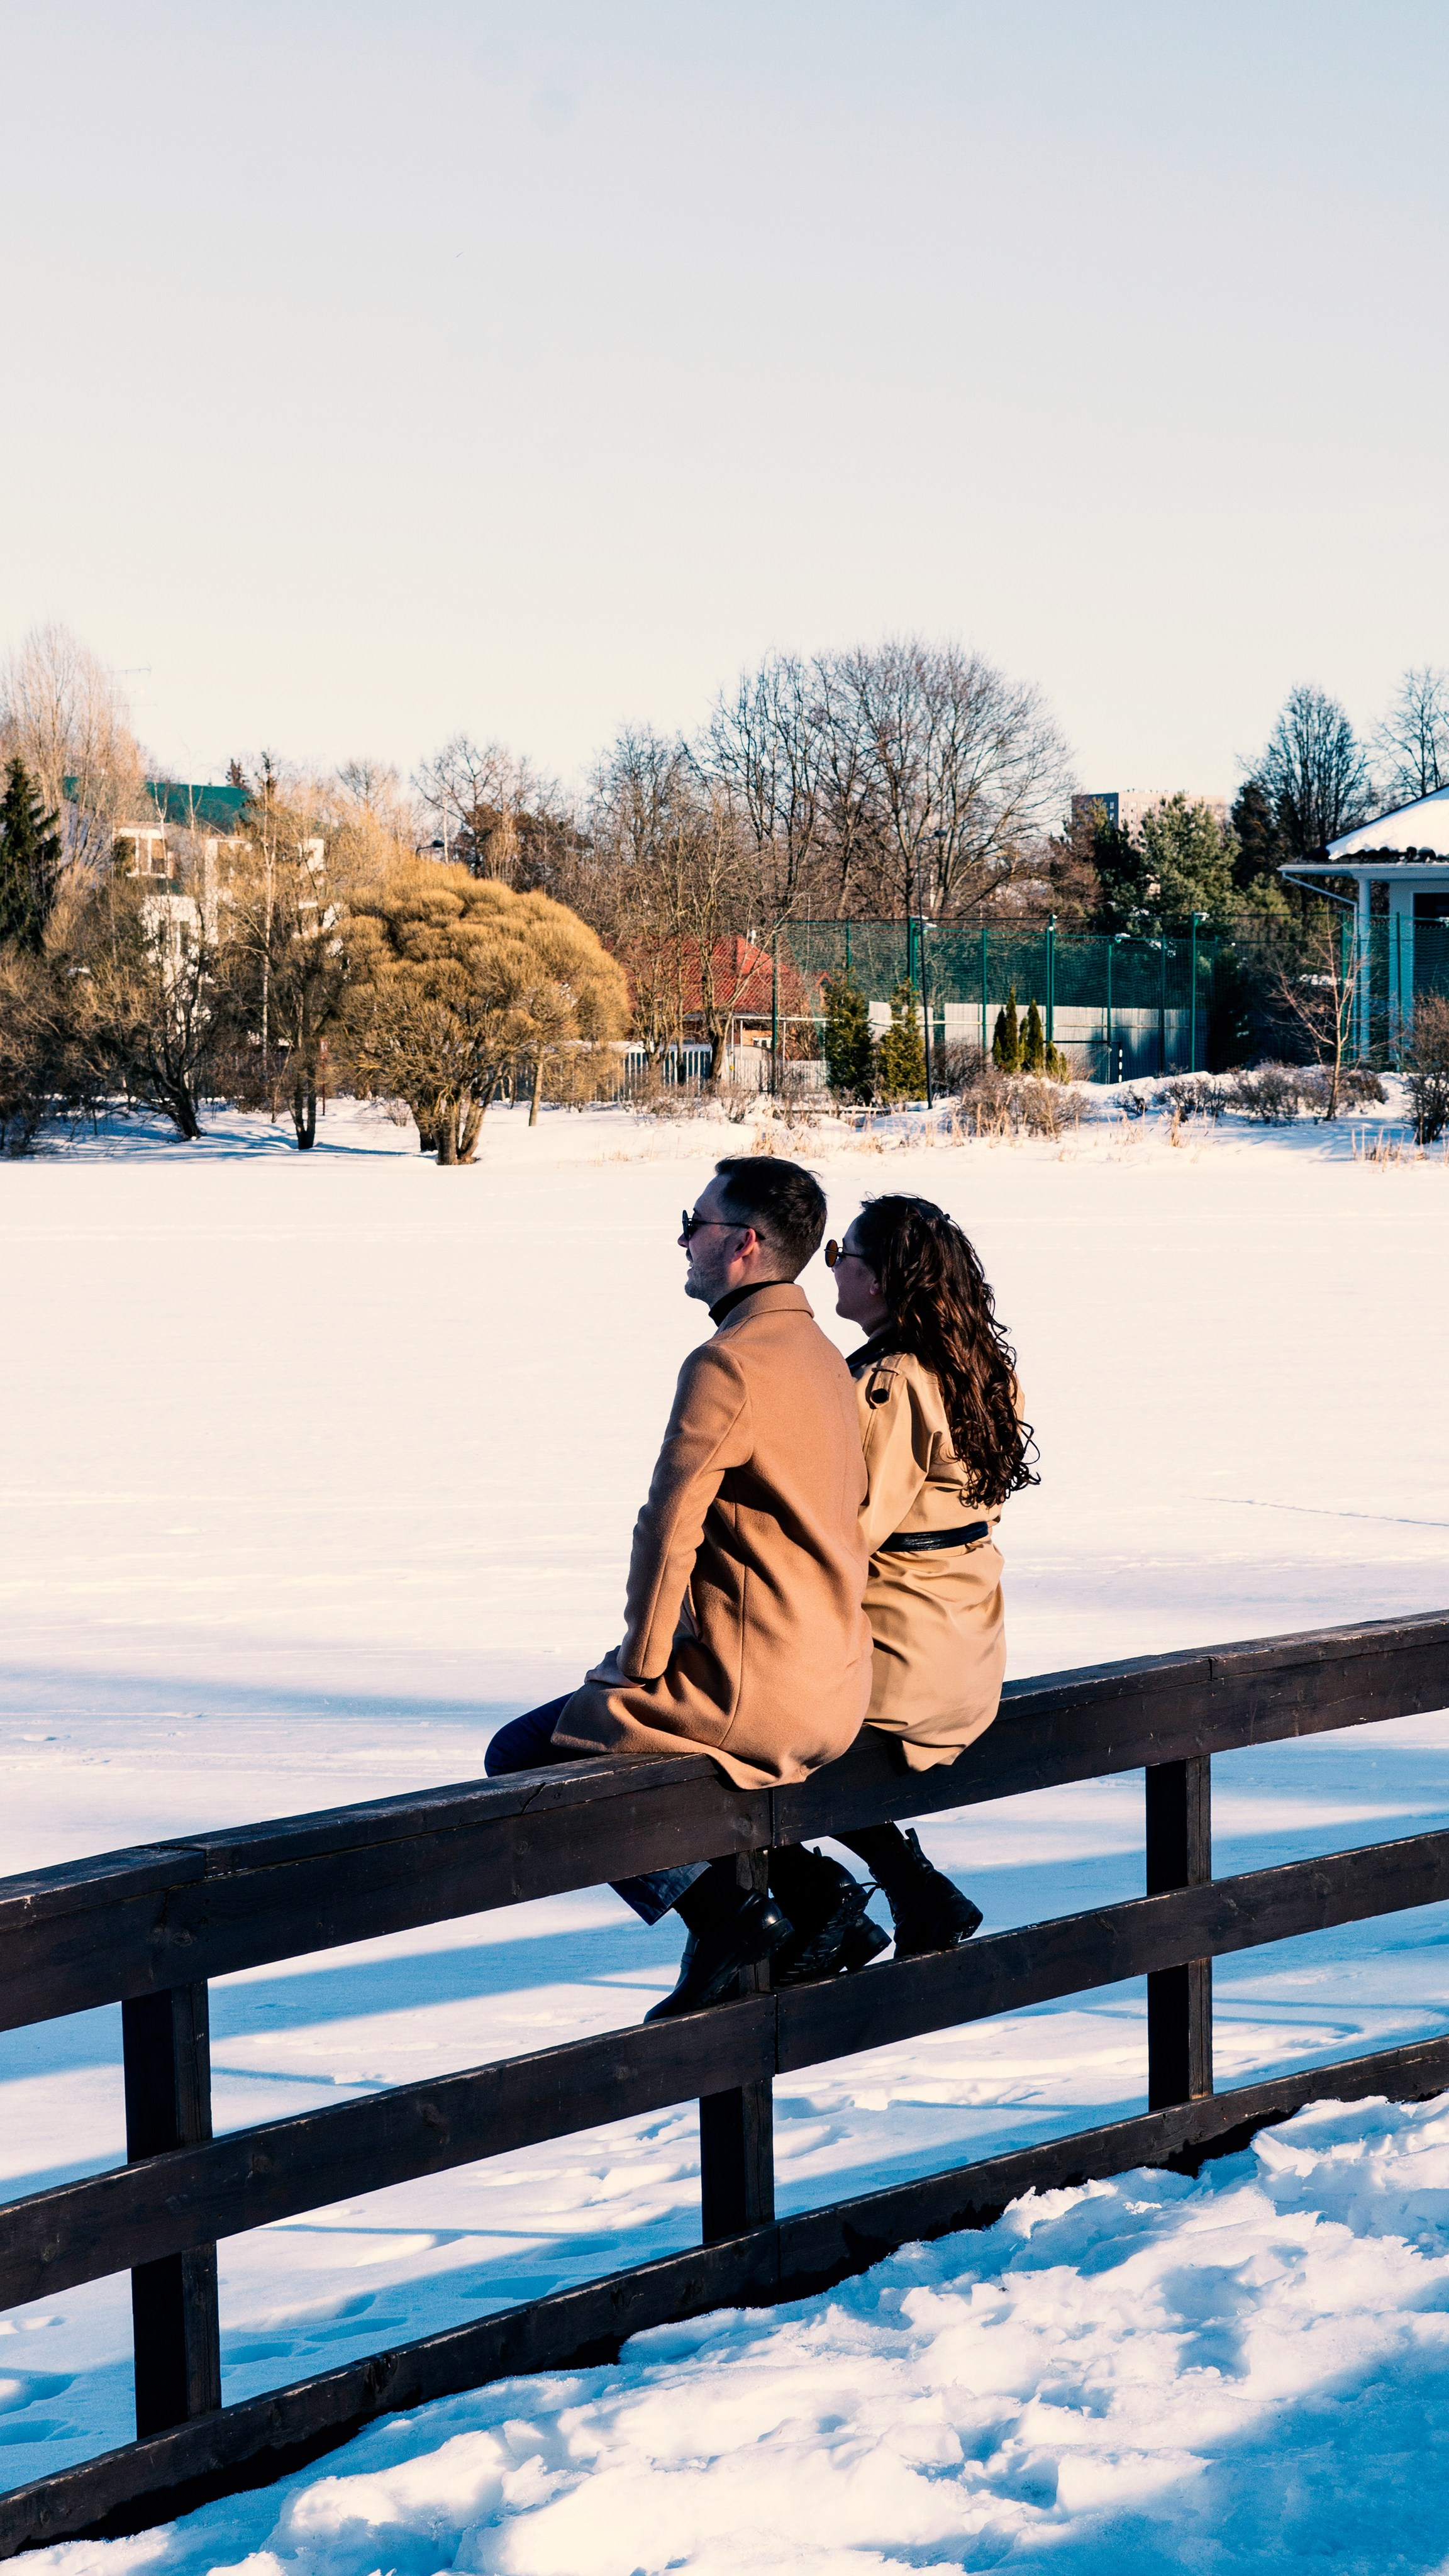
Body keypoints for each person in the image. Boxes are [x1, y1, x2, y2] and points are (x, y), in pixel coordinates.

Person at [484, 1156, 875, 2020]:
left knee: (524, 1758)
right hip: (835, 1679)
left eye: (692, 1224)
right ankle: (809, 1895)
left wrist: (641, 1662)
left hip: (757, 1687)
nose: (681, 1242)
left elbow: (668, 1531)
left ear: (742, 1243)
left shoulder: (727, 1364)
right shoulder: (823, 1355)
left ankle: (739, 1916)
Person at [765, 1192, 1038, 1979]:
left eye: (840, 1257)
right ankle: (910, 1890)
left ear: (880, 1280)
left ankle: (824, 1904)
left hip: (900, 1656)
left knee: (745, 1734)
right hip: (966, 1646)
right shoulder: (982, 1368)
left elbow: (847, 1533)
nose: (832, 1273)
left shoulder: (886, 1383)